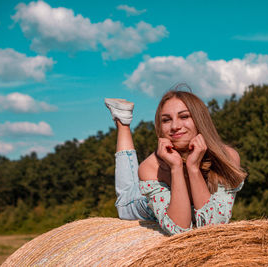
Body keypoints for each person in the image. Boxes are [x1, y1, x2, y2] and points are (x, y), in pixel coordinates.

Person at [105, 88, 246, 235]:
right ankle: (123, 123)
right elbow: (179, 230)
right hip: (142, 201)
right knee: (123, 201)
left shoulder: (227, 157)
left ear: (200, 120)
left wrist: (193, 168)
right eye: (166, 120)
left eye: (184, 117)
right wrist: (176, 167)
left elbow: (213, 225)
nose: (175, 126)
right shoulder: (151, 166)